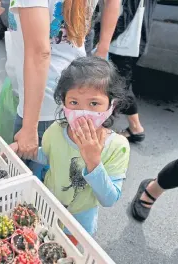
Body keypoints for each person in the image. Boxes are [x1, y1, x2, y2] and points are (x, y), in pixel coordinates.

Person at [11, 57, 130, 243]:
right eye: (74, 102)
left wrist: (93, 162)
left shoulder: (117, 146)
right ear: (63, 103)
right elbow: (50, 156)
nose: (83, 112)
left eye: (94, 104)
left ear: (111, 105)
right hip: (46, 209)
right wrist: (22, 150)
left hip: (78, 224)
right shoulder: (57, 130)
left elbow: (109, 199)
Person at [8, 0, 121, 174]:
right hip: (69, 93)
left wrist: (29, 127)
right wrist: (102, 51)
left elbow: (40, 53)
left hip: (41, 103)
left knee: (31, 187)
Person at [109, 0, 157, 143]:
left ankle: (135, 128)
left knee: (119, 86)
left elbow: (121, 11)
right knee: (119, 83)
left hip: (123, 41)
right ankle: (133, 127)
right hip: (131, 40)